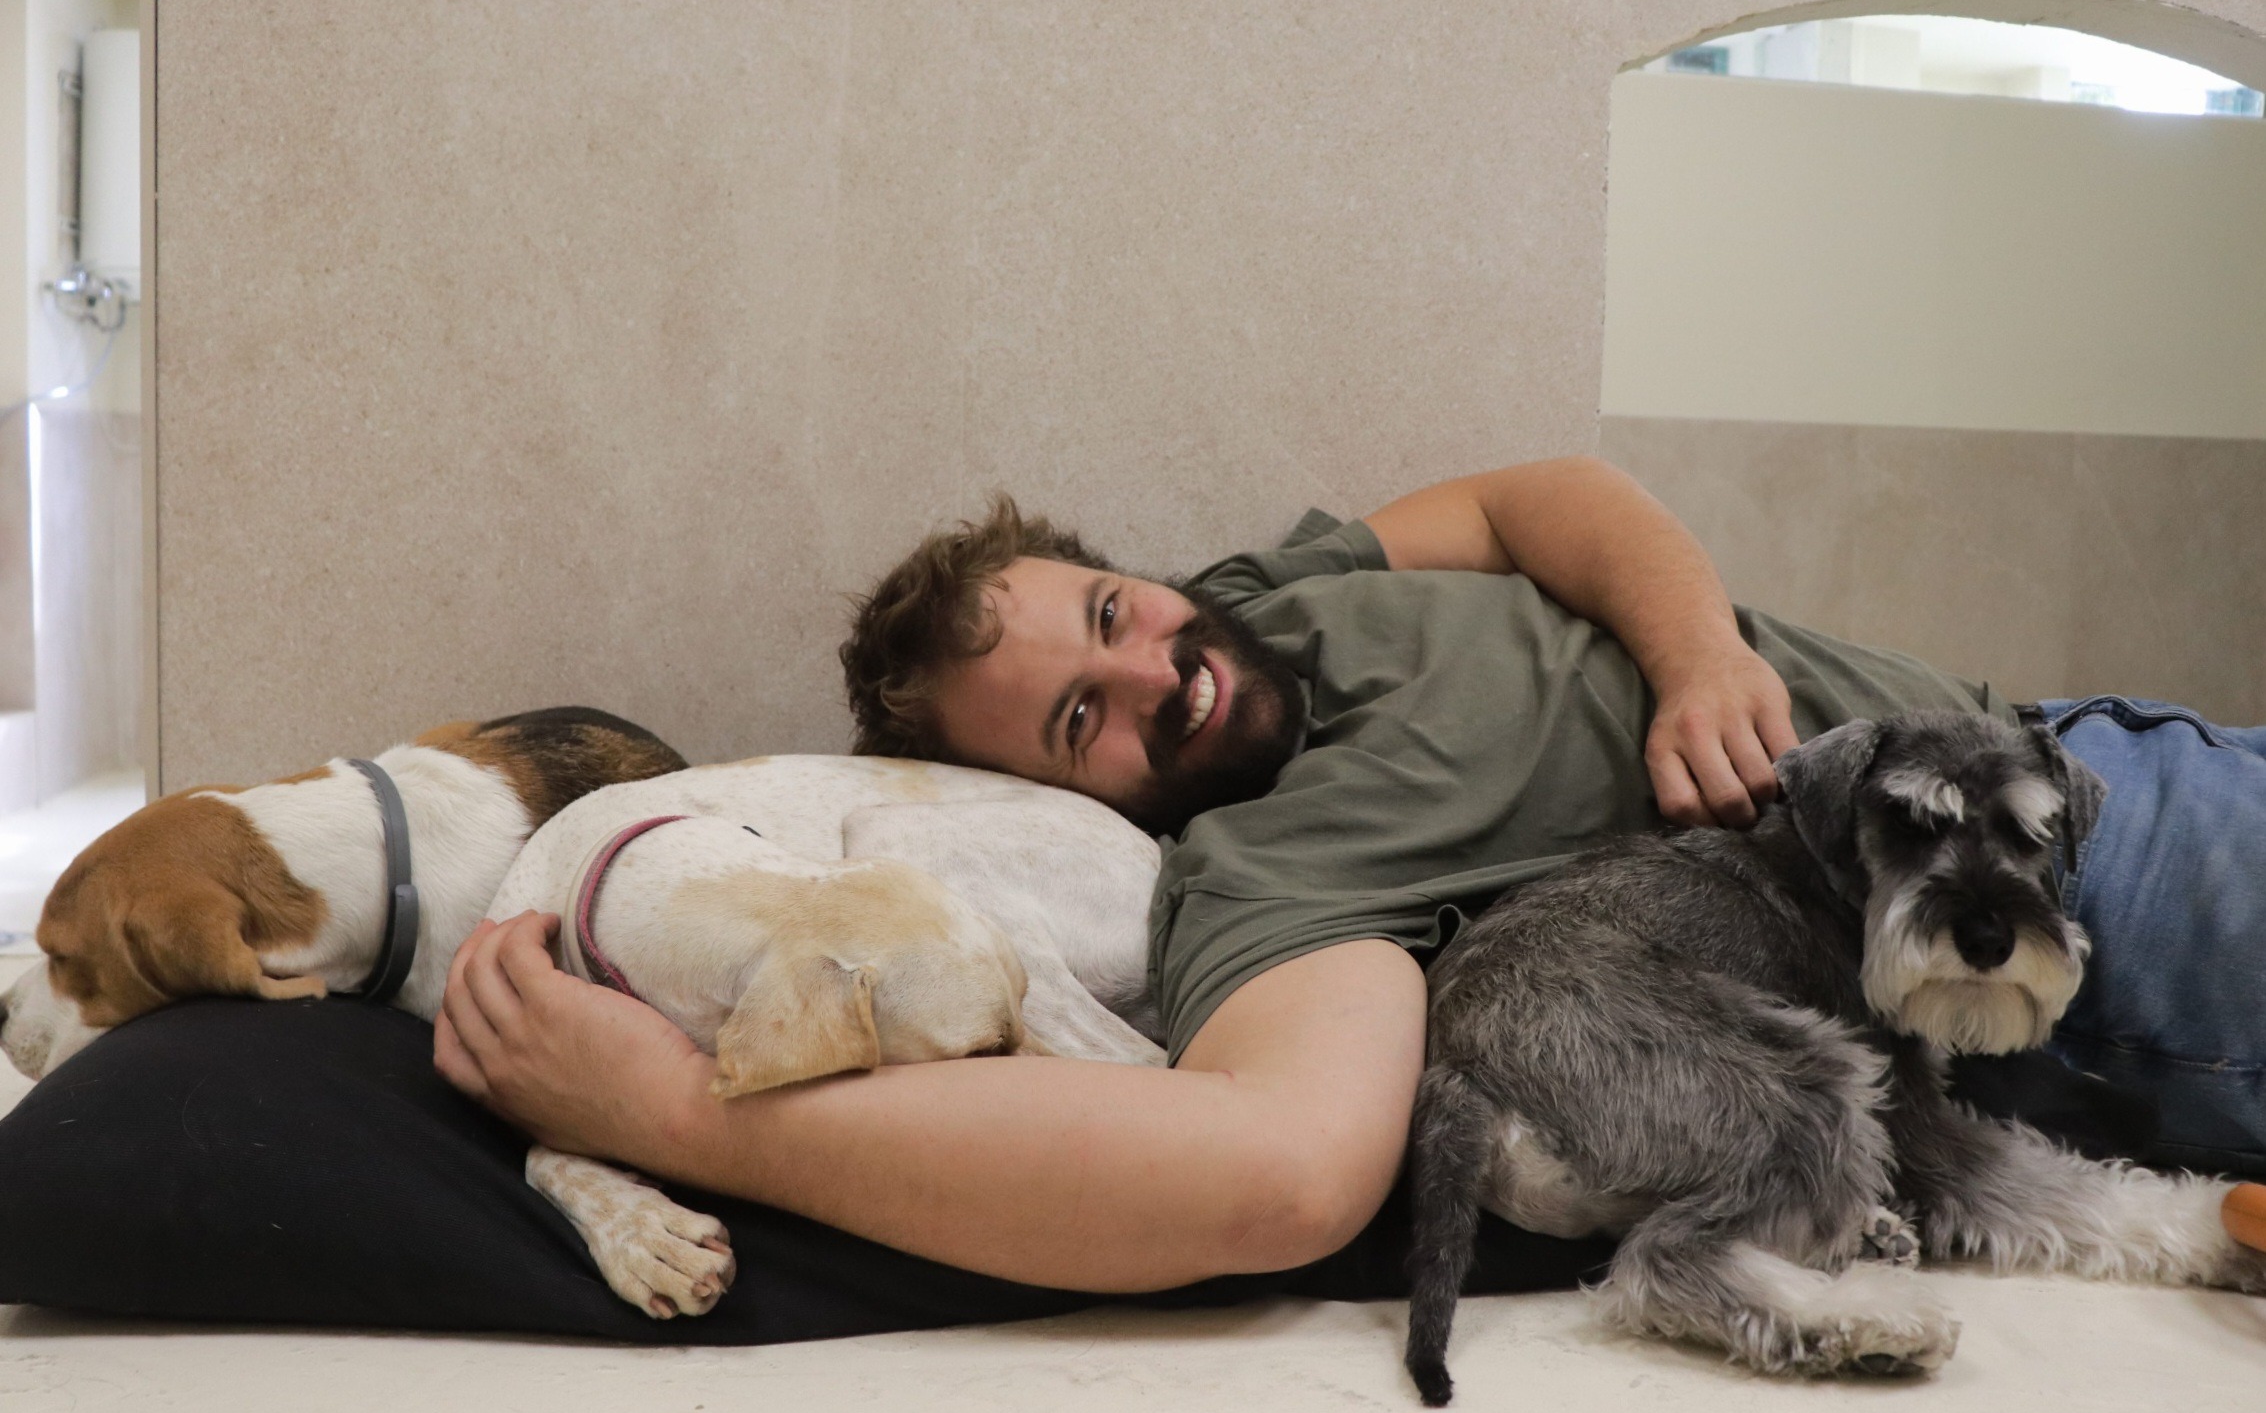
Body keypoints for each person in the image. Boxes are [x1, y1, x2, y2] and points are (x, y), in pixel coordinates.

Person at [433, 457, 2266, 1294]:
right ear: (1072, 803)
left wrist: (1700, 652)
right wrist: (676, 1110)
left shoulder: (1283, 581)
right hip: (2066, 928)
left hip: (2102, 757)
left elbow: (1540, 494)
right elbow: (1269, 1179)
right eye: (1082, 720)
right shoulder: (1256, 876)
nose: (1156, 671)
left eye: (1111, 614)